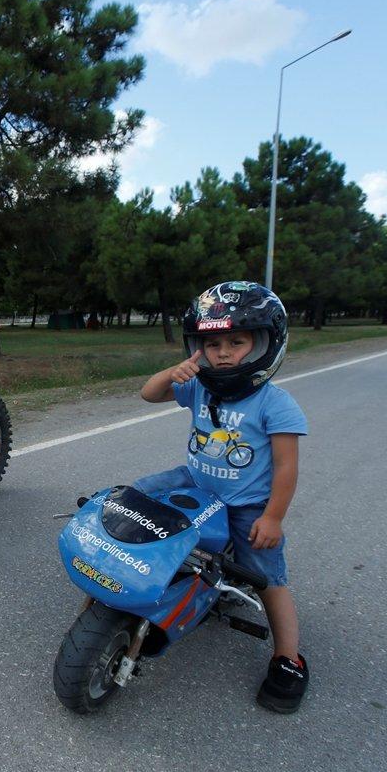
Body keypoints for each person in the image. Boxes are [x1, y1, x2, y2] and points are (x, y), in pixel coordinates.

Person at [136, 281, 309, 713]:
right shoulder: (199, 387)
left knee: (267, 577)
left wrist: (272, 518)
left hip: (246, 502)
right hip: (194, 484)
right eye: (212, 343)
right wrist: (172, 372)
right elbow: (148, 393)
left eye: (237, 341)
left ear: (263, 344)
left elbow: (287, 468)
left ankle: (288, 656)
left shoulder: (276, 403)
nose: (224, 352)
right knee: (132, 500)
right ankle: (118, 591)